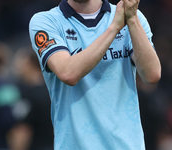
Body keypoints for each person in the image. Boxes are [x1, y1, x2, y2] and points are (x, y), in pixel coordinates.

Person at [29, 0, 161, 149]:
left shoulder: (133, 16)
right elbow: (68, 73)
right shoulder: (46, 21)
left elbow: (152, 75)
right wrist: (114, 28)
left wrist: (132, 20)